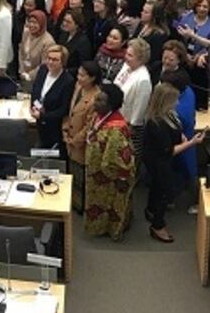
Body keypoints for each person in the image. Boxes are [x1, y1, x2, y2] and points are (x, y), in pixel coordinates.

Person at [143, 83, 204, 243]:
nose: (177, 103)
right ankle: (157, 225)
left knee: (156, 186)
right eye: (174, 100)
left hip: (159, 158)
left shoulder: (167, 114)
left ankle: (150, 209)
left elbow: (175, 129)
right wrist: (191, 143)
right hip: (158, 160)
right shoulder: (156, 123)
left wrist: (181, 136)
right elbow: (169, 151)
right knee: (165, 191)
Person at [84, 83, 135, 241]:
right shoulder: (98, 115)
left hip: (111, 176)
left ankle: (110, 230)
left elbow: (120, 157)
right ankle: (98, 227)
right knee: (96, 201)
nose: (95, 102)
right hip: (96, 171)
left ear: (111, 105)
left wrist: (121, 177)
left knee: (109, 204)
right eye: (96, 98)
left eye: (101, 100)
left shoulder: (116, 128)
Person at [63, 61, 102, 213]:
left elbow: (90, 126)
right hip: (70, 137)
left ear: (92, 78)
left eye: (82, 75)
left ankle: (81, 207)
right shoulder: (78, 88)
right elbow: (70, 110)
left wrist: (75, 140)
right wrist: (65, 130)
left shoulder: (96, 97)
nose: (78, 78)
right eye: (78, 74)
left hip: (81, 143)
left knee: (82, 177)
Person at [114, 38, 153, 166]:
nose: (126, 57)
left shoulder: (143, 80)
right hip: (115, 118)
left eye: (130, 55)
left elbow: (139, 110)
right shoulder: (127, 66)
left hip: (129, 127)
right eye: (126, 53)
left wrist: (129, 129)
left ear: (141, 59)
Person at [31, 44, 75, 152]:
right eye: (49, 58)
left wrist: (42, 116)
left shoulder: (68, 81)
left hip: (54, 128)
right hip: (38, 122)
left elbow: (63, 110)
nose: (50, 62)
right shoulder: (43, 70)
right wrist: (33, 107)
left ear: (62, 62)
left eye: (55, 60)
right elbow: (35, 90)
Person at [19, 10, 55, 82]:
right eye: (30, 21)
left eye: (35, 22)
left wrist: (29, 75)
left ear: (42, 23)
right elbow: (21, 53)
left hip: (38, 78)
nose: (31, 25)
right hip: (23, 74)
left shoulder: (48, 42)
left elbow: (45, 64)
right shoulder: (26, 33)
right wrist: (22, 71)